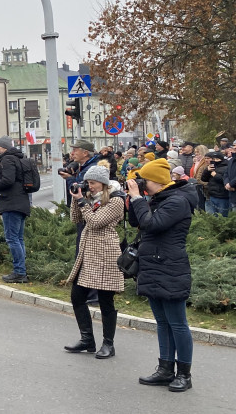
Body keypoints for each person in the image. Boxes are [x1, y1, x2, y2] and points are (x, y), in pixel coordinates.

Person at [128, 158, 195, 392]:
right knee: (162, 322)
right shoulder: (159, 199)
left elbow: (152, 224)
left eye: (144, 179)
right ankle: (165, 369)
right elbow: (137, 221)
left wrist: (138, 198)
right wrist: (135, 199)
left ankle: (184, 374)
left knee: (177, 323)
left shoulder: (177, 201)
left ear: (155, 180)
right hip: (153, 265)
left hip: (171, 267)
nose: (142, 183)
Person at [63, 165, 125, 357]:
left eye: (93, 183)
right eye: (88, 183)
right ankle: (87, 339)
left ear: (103, 183)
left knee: (106, 300)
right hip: (88, 252)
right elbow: (76, 219)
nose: (90, 186)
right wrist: (76, 198)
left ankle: (108, 344)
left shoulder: (115, 200)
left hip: (106, 252)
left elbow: (96, 222)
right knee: (77, 296)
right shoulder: (89, 198)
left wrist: (82, 201)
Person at [0, 136, 31, 283]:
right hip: (19, 203)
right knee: (18, 238)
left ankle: (19, 272)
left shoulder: (8, 159)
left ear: (5, 147)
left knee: (12, 239)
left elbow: (8, 180)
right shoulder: (15, 158)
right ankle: (21, 271)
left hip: (12, 204)